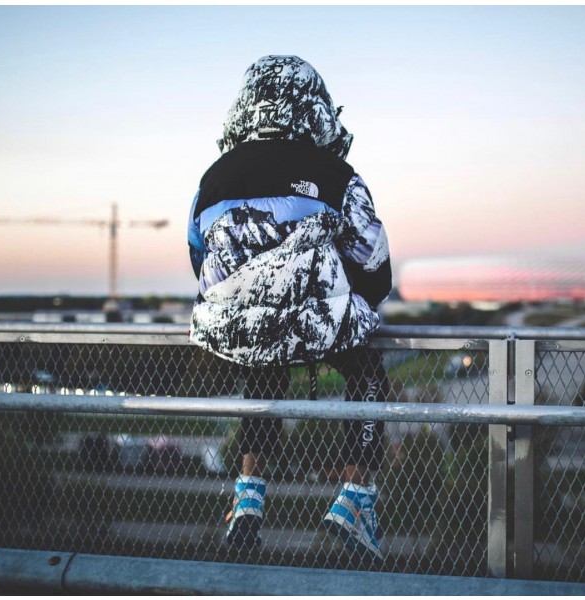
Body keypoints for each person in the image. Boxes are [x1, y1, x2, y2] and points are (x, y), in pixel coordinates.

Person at [188, 55, 392, 558]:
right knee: (368, 373)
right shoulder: (337, 174)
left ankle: (248, 497)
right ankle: (355, 498)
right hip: (318, 321)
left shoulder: (210, 180)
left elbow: (199, 258)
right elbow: (376, 269)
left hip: (237, 325)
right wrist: (335, 300)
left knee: (264, 371)